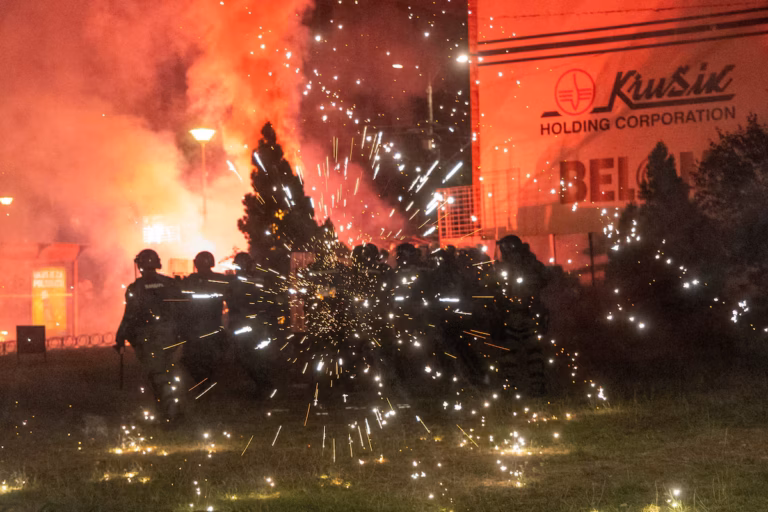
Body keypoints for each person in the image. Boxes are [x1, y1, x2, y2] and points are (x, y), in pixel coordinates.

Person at [115, 249, 184, 422]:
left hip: (149, 338)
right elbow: (183, 309)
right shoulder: (170, 283)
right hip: (171, 335)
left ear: (140, 266)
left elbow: (129, 315)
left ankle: (170, 409)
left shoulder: (136, 288)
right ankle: (169, 406)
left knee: (157, 373)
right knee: (168, 371)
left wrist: (120, 337)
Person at [179, 251, 229, 386]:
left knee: (192, 358)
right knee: (209, 358)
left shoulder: (192, 280)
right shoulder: (220, 279)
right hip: (212, 325)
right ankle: (208, 383)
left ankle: (205, 383)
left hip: (197, 327)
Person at [226, 252, 273, 394]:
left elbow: (263, 302)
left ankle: (263, 386)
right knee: (248, 356)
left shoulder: (251, 281)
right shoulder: (236, 282)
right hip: (246, 324)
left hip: (252, 324)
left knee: (253, 356)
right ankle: (262, 385)